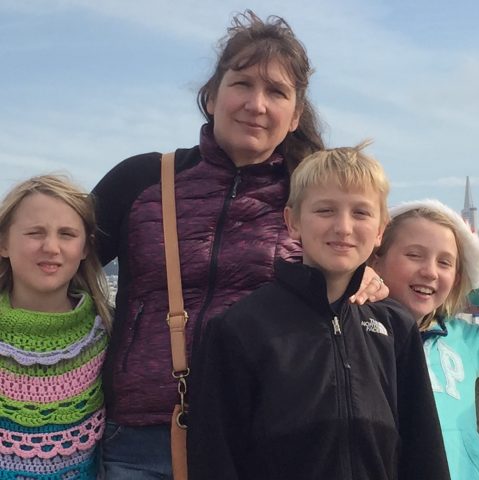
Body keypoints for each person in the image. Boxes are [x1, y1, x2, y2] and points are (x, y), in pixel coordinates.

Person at [92, 11, 387, 478]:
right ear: (211, 96)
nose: (256, 104)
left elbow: (377, 255)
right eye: (242, 83)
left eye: (277, 92)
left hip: (268, 435)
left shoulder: (313, 201)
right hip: (143, 437)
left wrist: (368, 274)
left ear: (295, 116)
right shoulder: (144, 180)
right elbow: (53, 256)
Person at [187, 144, 451, 480]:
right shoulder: (239, 329)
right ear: (293, 221)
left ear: (381, 229)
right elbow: (215, 459)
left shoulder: (395, 326)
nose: (343, 227)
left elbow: (423, 450)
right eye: (325, 211)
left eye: (361, 213)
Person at [369, 199, 479, 480]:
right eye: (414, 255)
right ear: (375, 259)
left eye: (445, 263)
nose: (430, 271)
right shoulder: (358, 333)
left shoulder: (464, 341)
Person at [0, 175, 111, 479]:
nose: (51, 247)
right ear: (4, 243)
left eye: (66, 234)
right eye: (35, 232)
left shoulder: (108, 337)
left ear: (85, 248)